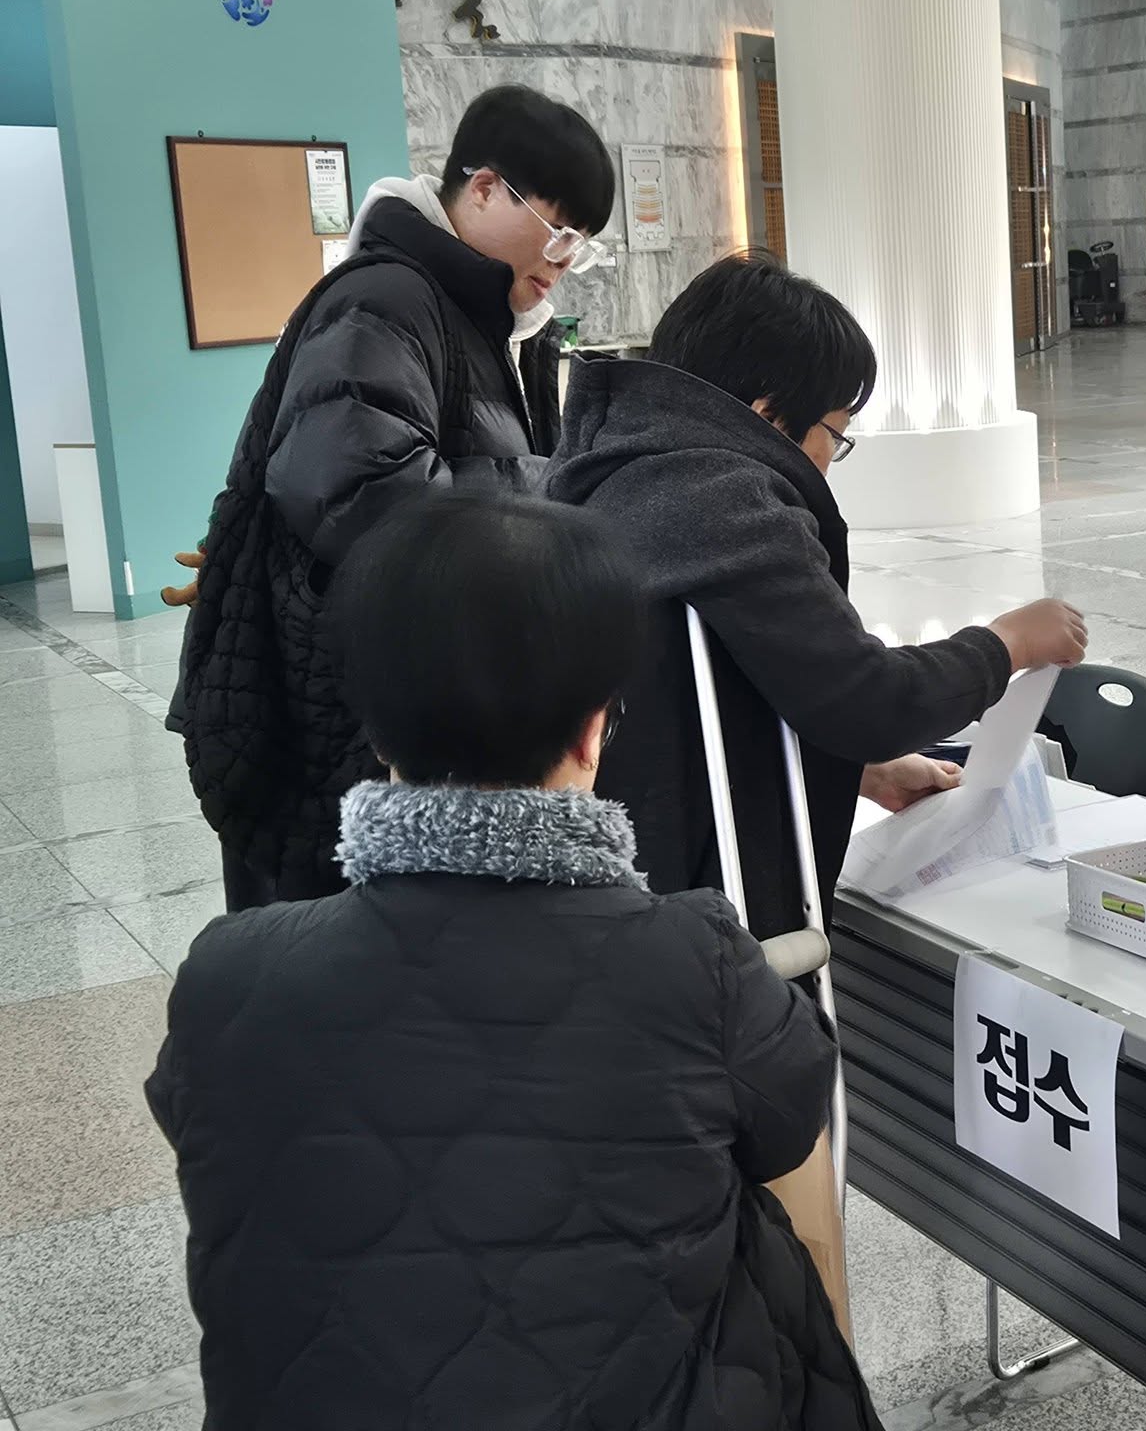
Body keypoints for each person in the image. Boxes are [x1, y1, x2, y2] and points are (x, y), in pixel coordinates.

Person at [147, 494, 878, 1431]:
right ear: (591, 732)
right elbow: (791, 1124)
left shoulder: (227, 976)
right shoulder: (696, 959)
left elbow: (208, 1133)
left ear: (377, 732)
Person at [547, 250, 1089, 937]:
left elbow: (713, 686)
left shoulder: (608, 466)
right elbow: (869, 698)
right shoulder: (724, 499)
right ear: (770, 411)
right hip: (709, 919)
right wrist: (1008, 643)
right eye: (836, 433)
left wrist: (856, 770)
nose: (833, 457)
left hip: (616, 881)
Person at [170, 85, 614, 910]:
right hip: (345, 705)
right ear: (484, 188)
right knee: (338, 942)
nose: (562, 259)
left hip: (407, 689)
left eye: (579, 245)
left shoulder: (501, 323)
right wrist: (552, 490)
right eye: (557, 231)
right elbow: (361, 491)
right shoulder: (386, 299)